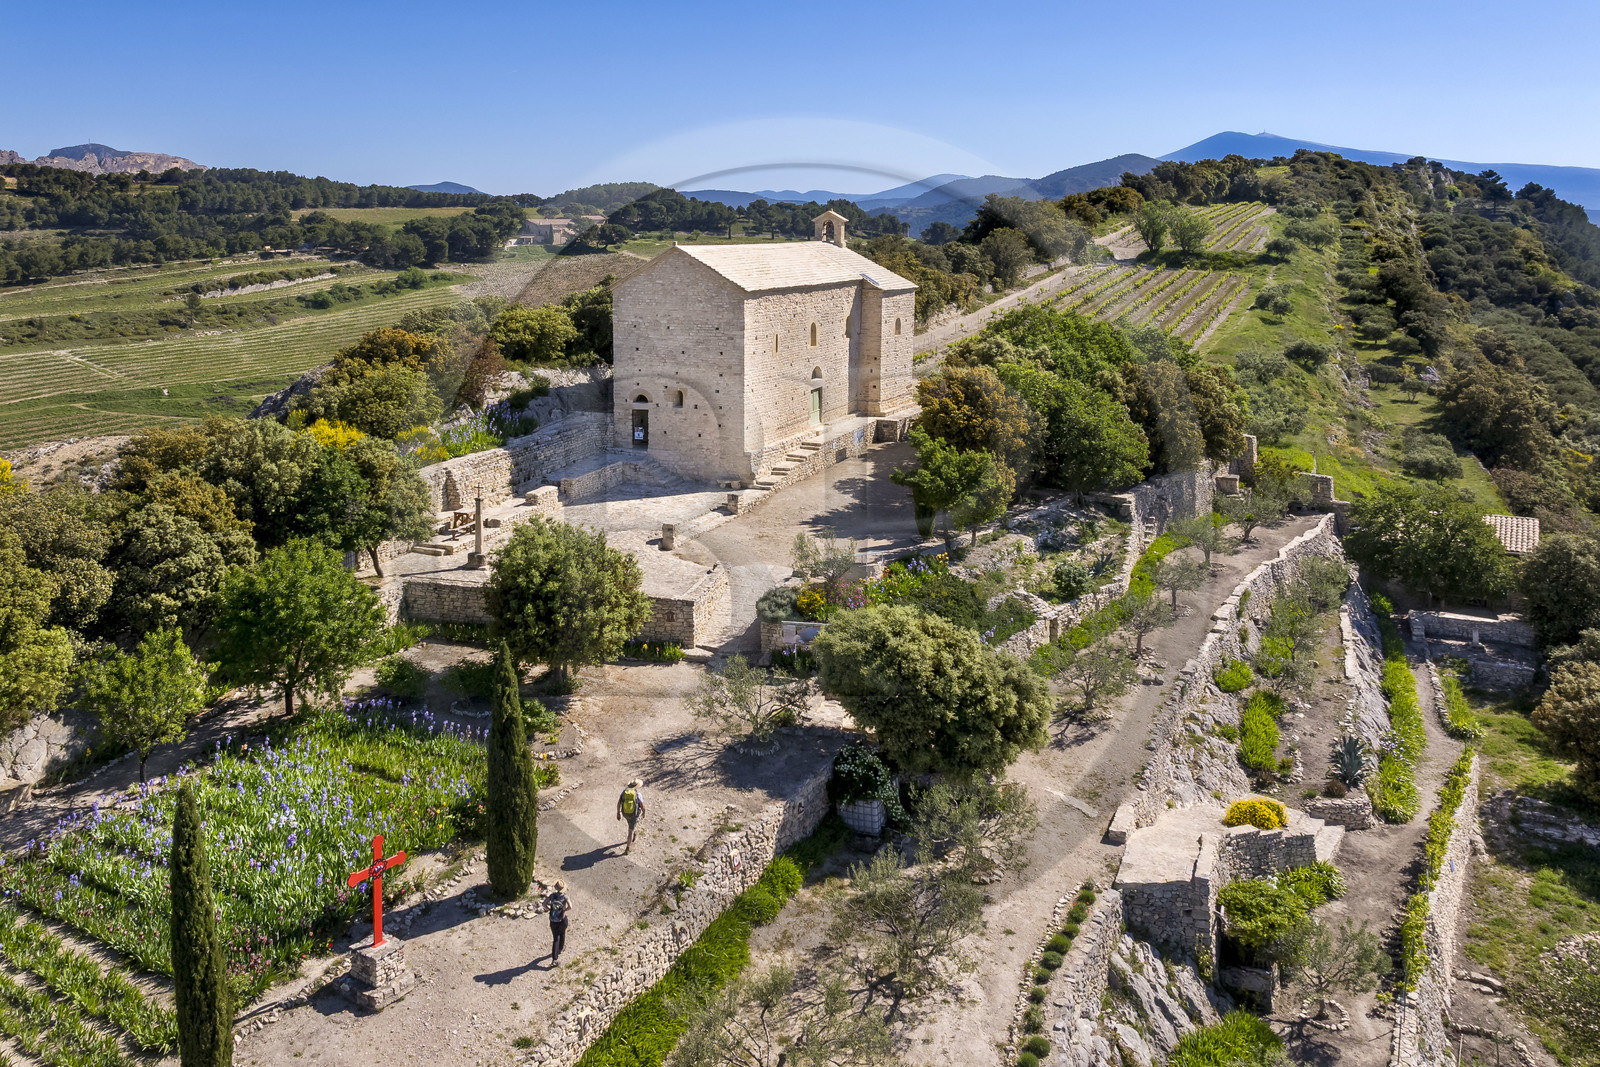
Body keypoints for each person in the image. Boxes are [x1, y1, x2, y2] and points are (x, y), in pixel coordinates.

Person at [617, 778, 645, 854]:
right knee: (631, 832)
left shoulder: (624, 792)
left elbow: (619, 803)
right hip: (634, 814)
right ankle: (627, 848)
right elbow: (642, 806)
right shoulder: (638, 794)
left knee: (630, 824)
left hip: (625, 813)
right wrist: (644, 813)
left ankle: (633, 831)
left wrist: (618, 813)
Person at [545, 880, 570, 964]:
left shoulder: (552, 896)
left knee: (556, 938)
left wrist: (549, 910)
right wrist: (564, 910)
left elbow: (544, 904)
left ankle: (554, 959)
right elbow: (571, 906)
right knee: (562, 933)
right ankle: (560, 949)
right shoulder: (565, 897)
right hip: (562, 919)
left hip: (553, 920)